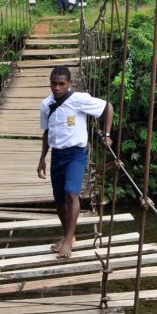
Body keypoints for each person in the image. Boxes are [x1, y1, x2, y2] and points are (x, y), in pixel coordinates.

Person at [36, 65, 113, 259]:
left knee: (72, 194)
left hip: (76, 154)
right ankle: (68, 236)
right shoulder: (46, 105)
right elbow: (47, 132)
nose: (57, 87)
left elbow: (107, 107)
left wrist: (106, 133)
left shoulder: (79, 100)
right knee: (60, 201)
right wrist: (42, 159)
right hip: (57, 156)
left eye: (61, 83)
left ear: (69, 83)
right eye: (53, 83)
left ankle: (68, 241)